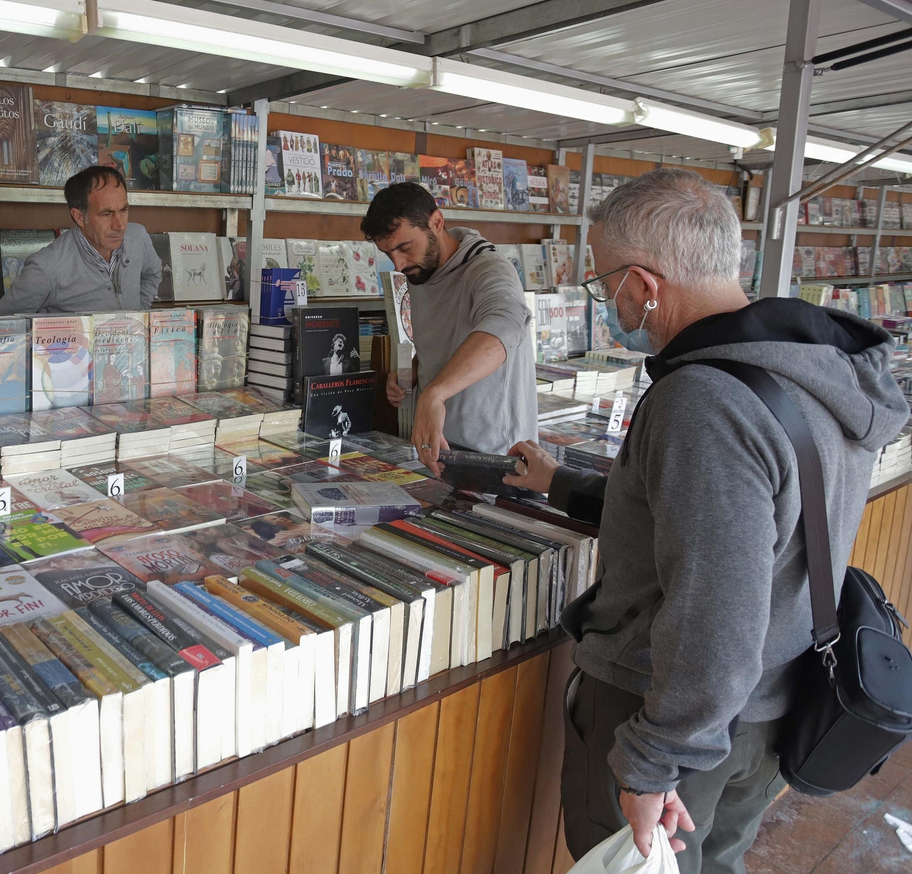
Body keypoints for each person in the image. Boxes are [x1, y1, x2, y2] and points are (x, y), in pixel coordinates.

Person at [499, 167, 908, 874]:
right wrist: (563, 483)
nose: (608, 303)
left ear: (644, 284)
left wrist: (655, 761)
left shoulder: (704, 400)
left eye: (604, 286)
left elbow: (715, 610)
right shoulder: (812, 368)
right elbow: (732, 528)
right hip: (768, 706)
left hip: (674, 720)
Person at [362, 182, 537, 471]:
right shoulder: (421, 269)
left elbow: (505, 325)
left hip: (497, 453)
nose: (398, 264)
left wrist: (435, 393)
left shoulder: (488, 268)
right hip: (442, 448)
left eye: (405, 247)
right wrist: (415, 371)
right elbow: (448, 340)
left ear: (437, 222)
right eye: (388, 253)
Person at [0, 165, 163, 315]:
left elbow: (153, 273)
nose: (119, 225)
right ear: (79, 217)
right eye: (107, 214)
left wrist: (138, 314)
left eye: (123, 210)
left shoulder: (138, 237)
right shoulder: (45, 269)